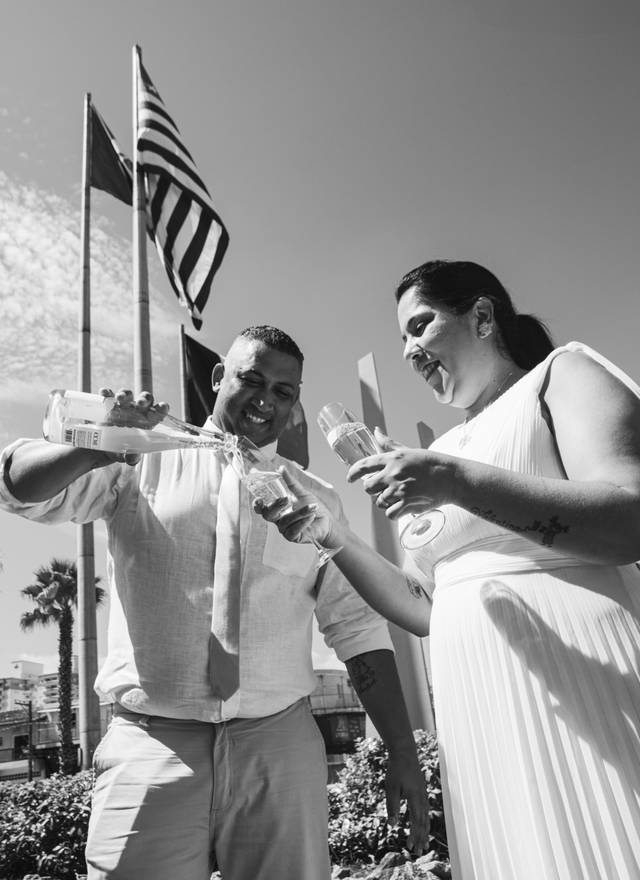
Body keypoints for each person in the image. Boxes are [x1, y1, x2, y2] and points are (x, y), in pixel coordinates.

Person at [0, 325, 429, 880]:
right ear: (218, 378)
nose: (265, 400)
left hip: (279, 743)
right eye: (252, 380)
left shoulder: (316, 499)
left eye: (283, 391)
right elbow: (15, 486)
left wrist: (400, 746)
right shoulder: (140, 458)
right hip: (151, 743)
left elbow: (356, 629)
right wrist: (100, 441)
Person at [261, 263, 640, 880]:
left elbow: (630, 520)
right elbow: (422, 607)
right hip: (479, 701)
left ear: (483, 317)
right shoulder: (442, 452)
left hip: (585, 669)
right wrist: (331, 535)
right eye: (401, 340)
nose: (410, 351)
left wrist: (452, 481)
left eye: (420, 326)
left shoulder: (561, 375)